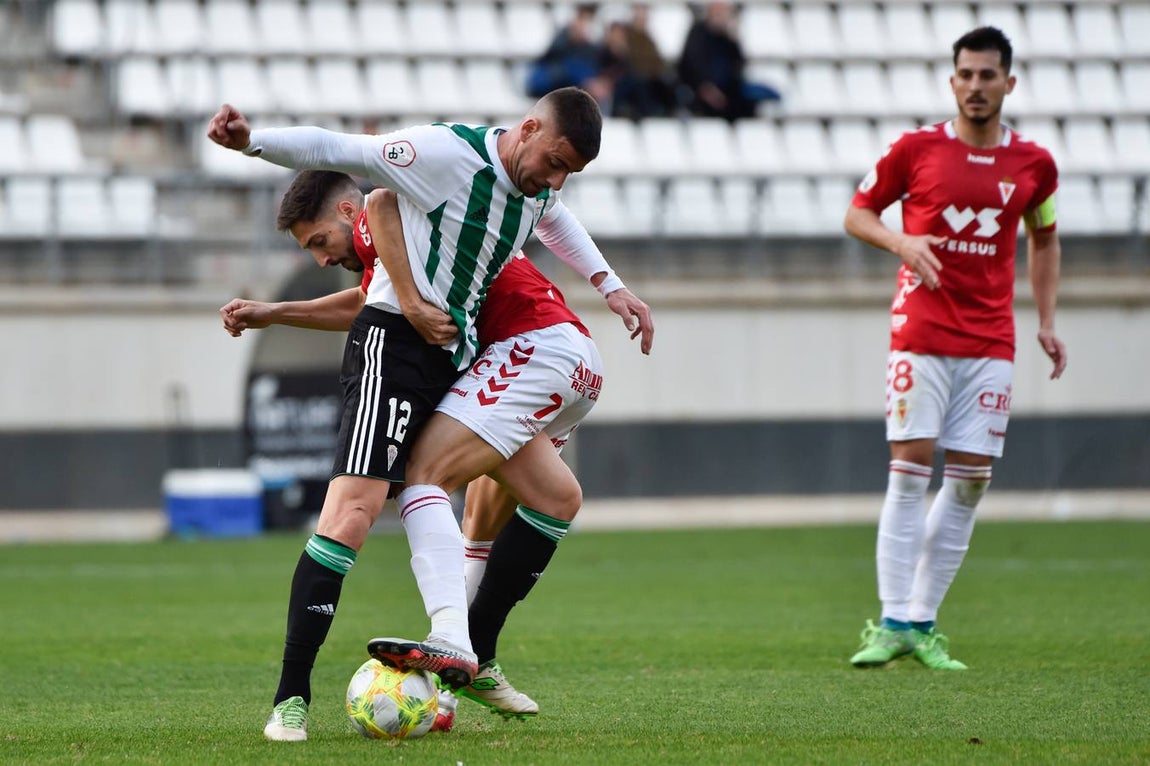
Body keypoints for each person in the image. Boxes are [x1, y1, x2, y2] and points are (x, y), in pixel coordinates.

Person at [207, 87, 654, 740]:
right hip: (395, 346)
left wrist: (610, 285)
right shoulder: (441, 156)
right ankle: (293, 697)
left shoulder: (529, 189)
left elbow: (551, 216)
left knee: (555, 495)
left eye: (319, 242)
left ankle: (467, 647)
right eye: (555, 164)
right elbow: (350, 162)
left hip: (459, 354)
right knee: (354, 512)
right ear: (529, 129)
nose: (555, 180)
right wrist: (252, 143)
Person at [843, 26, 1067, 671]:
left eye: (987, 75)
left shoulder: (1035, 165)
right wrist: (902, 242)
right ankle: (891, 622)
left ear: (1008, 83)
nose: (975, 86)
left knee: (971, 482)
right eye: (965, 75)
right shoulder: (915, 149)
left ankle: (922, 621)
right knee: (910, 468)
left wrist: (1047, 320)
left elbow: (1045, 238)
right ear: (952, 81)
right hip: (921, 333)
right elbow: (857, 213)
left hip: (991, 338)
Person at [676, 2, 779, 121]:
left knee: (763, 97)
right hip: (702, 93)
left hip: (728, 91)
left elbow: (738, 65)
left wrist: (732, 37)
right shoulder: (698, 34)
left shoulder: (727, 38)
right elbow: (690, 67)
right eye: (718, 13)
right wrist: (706, 89)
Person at [526, 3, 615, 106]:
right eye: (581, 20)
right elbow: (539, 83)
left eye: (588, 21)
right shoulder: (559, 47)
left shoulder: (594, 52)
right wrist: (585, 81)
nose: (584, 26)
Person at [606, 5, 680, 120]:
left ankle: (672, 110)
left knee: (668, 82)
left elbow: (657, 61)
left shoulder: (648, 39)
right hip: (633, 78)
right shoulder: (628, 37)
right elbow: (629, 62)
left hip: (650, 77)